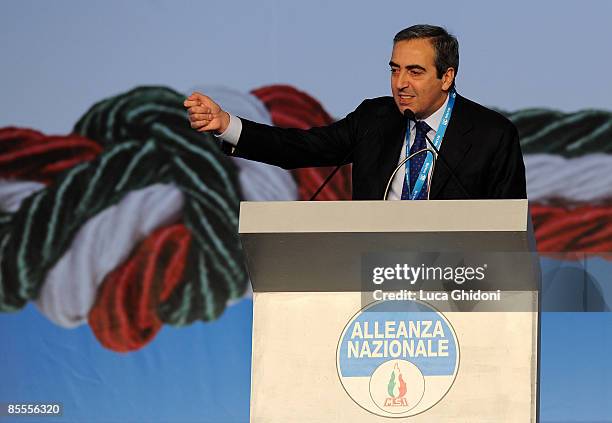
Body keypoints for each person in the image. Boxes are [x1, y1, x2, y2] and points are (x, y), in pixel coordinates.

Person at [184, 24, 526, 200]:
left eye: (415, 71)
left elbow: (509, 228)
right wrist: (227, 125)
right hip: (374, 278)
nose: (401, 83)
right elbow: (300, 147)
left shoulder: (491, 134)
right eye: (395, 70)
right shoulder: (374, 119)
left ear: (446, 77)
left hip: (458, 286)